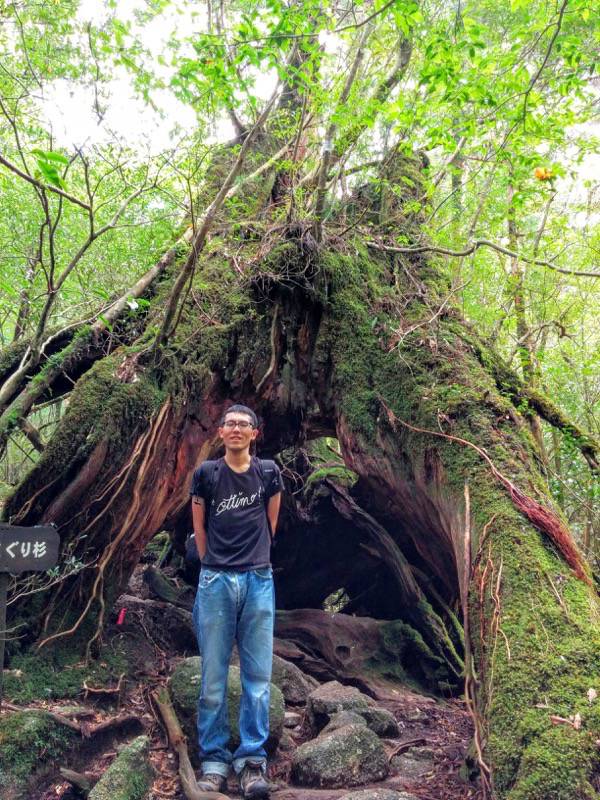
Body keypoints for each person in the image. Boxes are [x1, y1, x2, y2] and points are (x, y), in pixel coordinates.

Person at [190, 404, 283, 800]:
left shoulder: (268, 473)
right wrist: (217, 563)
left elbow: (271, 522)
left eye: (244, 425)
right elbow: (199, 527)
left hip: (259, 579)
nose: (236, 430)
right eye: (230, 424)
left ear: (254, 433)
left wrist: (252, 558)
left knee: (258, 679)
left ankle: (251, 761)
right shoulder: (207, 474)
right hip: (215, 581)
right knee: (213, 677)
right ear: (221, 431)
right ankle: (213, 762)